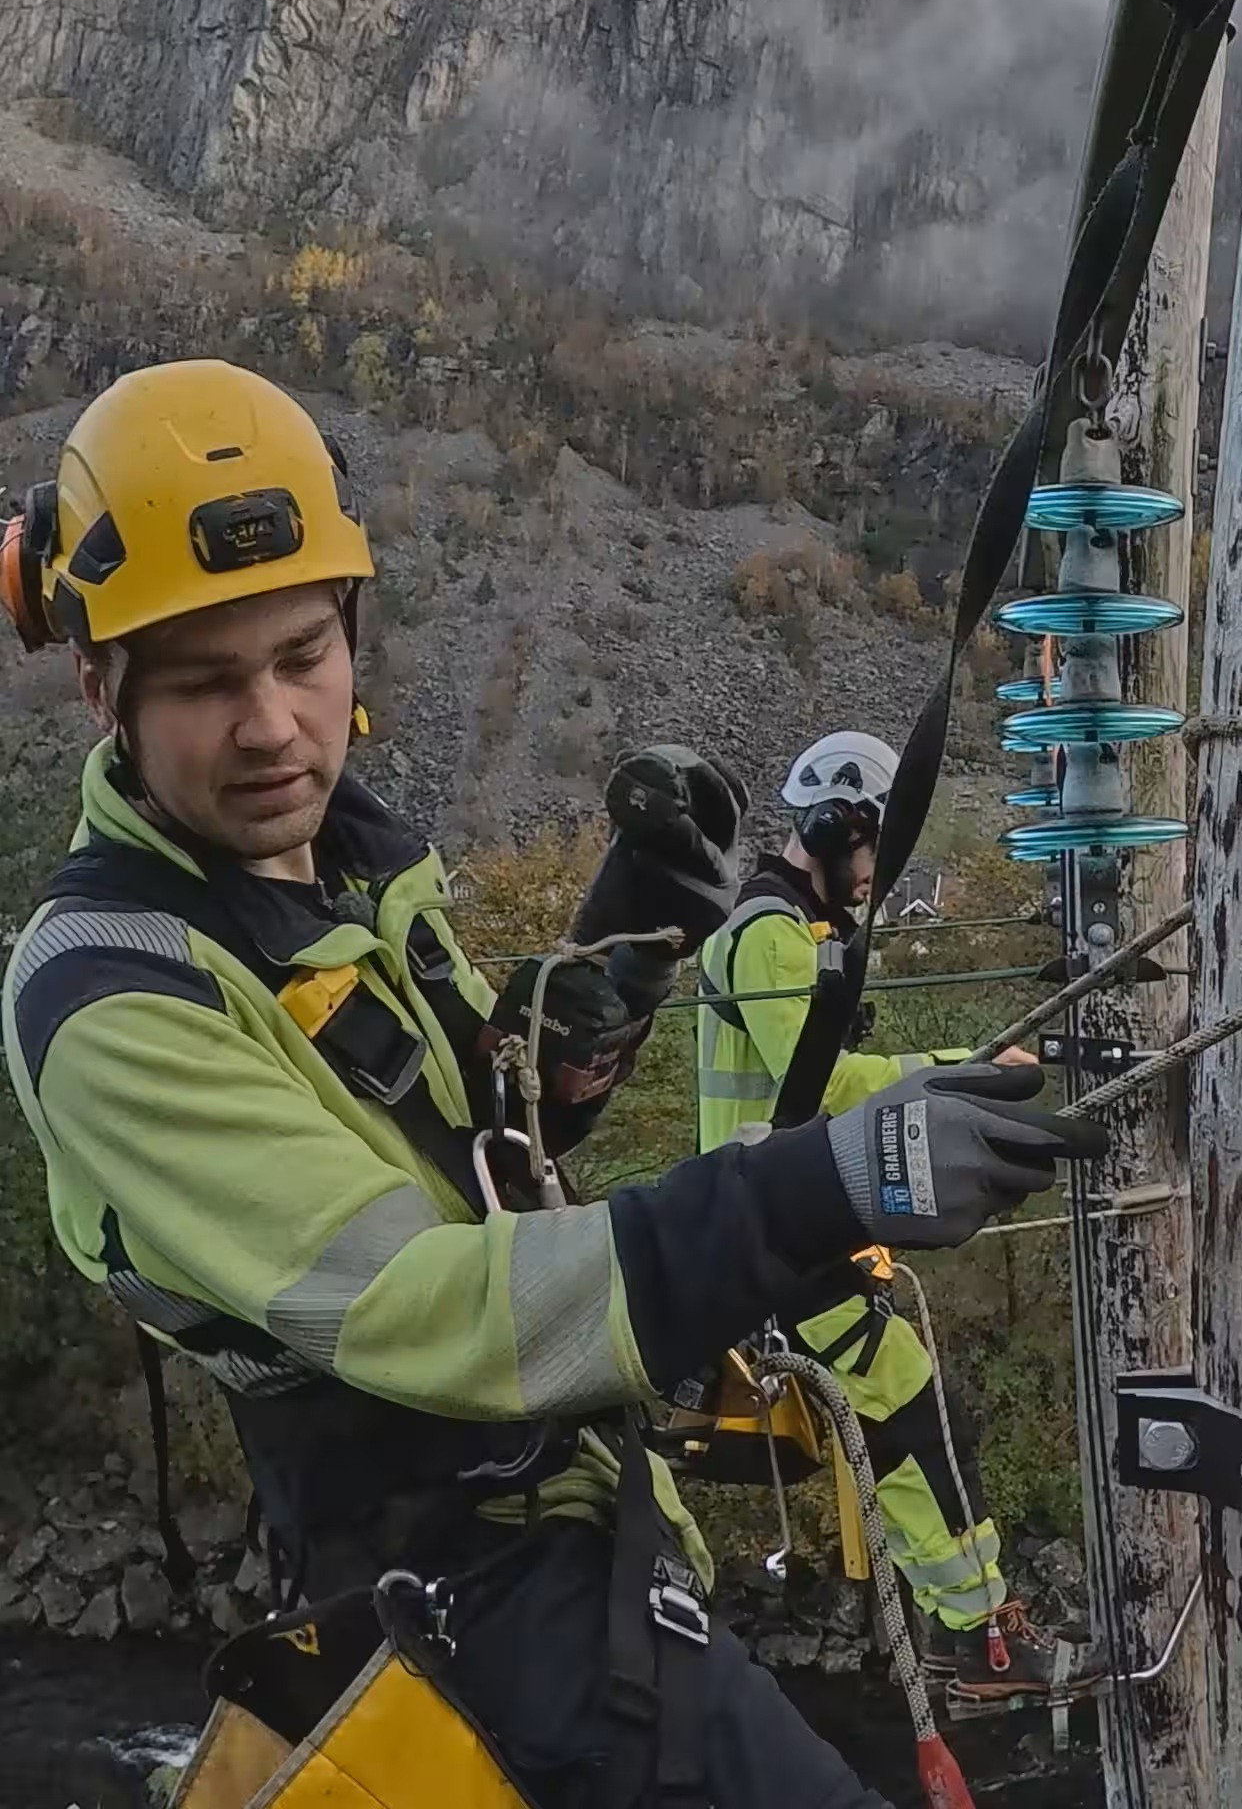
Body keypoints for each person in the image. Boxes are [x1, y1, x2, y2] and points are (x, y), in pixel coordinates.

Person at [0, 359, 1100, 1807]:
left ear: (352, 638)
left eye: (302, 657)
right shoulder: (106, 996)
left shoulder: (341, 869)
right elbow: (429, 1303)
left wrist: (599, 971)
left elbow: (474, 1132)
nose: (272, 724)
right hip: (470, 1616)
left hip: (587, 1553)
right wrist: (825, 1184)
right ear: (100, 687)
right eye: (207, 681)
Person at [690, 729, 1066, 1697]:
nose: (874, 879)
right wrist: (958, 1076)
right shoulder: (763, 938)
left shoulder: (805, 938)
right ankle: (975, 1633)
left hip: (787, 1217)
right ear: (832, 829)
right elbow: (823, 1081)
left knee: (918, 1411)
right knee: (909, 1416)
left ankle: (972, 1625)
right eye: (870, 851)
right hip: (763, 1221)